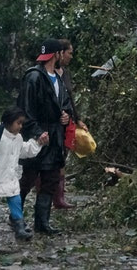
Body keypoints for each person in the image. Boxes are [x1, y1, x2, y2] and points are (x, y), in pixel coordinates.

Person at [16, 38, 76, 234]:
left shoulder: (58, 78)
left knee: (51, 179)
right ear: (56, 54)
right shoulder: (33, 77)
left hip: (55, 136)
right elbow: (25, 109)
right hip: (38, 137)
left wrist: (66, 115)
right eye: (61, 53)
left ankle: (42, 222)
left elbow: (65, 102)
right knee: (28, 179)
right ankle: (15, 216)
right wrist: (36, 132)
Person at [0, 107, 49, 242]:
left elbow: (25, 151)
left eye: (21, 123)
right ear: (9, 122)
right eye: (18, 123)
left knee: (15, 201)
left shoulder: (18, 138)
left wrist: (38, 143)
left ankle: (19, 228)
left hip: (10, 177)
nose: (20, 126)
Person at [53, 38, 88, 209]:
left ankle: (59, 197)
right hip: (50, 123)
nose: (71, 56)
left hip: (66, 122)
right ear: (60, 53)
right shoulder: (44, 73)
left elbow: (70, 98)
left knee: (62, 158)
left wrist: (78, 118)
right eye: (70, 53)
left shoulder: (65, 73)